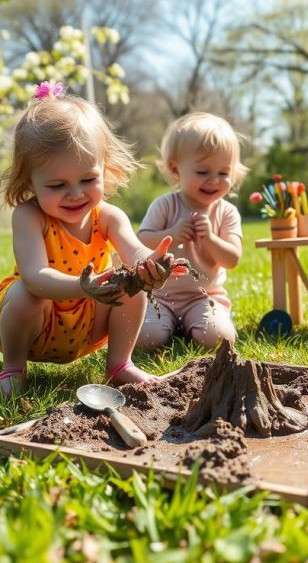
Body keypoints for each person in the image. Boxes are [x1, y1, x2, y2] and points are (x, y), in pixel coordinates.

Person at [0, 82, 188, 396]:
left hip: (88, 324)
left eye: (88, 180)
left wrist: (152, 264)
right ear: (29, 180)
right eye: (58, 185)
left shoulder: (110, 216)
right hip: (38, 325)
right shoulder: (29, 216)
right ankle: (13, 369)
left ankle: (119, 365)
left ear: (104, 168)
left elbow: (135, 252)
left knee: (132, 283)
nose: (75, 194)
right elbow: (34, 277)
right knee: (22, 294)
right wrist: (83, 286)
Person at [136, 111, 245, 351]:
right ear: (176, 170)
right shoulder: (165, 205)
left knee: (219, 340)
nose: (214, 180)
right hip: (161, 296)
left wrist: (211, 239)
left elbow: (232, 259)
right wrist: (172, 233)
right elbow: (140, 242)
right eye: (203, 172)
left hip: (205, 296)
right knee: (146, 339)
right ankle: (167, 324)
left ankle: (192, 324)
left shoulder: (226, 212)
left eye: (224, 173)